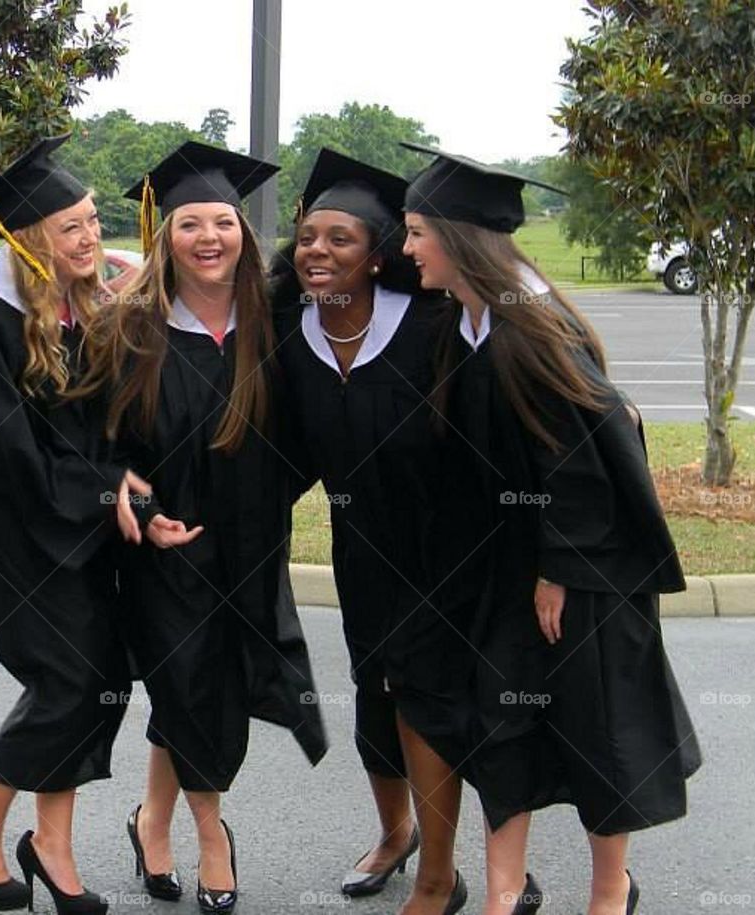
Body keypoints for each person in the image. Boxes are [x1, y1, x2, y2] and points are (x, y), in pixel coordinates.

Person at [402, 143, 702, 915]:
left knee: (598, 730)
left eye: (415, 233)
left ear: (461, 238)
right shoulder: (466, 322)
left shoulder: (529, 329)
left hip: (580, 573)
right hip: (502, 567)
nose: (405, 250)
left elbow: (588, 444)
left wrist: (559, 564)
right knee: (501, 724)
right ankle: (503, 891)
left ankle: (611, 891)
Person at [79, 141, 327, 914]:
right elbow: (97, 449)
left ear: (245, 236)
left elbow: (311, 426)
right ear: (166, 236)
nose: (210, 236)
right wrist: (143, 516)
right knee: (194, 685)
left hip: (252, 545)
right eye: (191, 223)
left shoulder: (274, 318)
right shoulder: (130, 329)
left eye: (225, 221)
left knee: (206, 685)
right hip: (167, 552)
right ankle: (212, 837)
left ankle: (150, 820)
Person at [0, 135, 151, 915]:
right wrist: (108, 490)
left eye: (93, 219)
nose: (92, 237)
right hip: (17, 539)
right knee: (66, 681)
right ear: (33, 241)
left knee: (100, 680)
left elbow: (109, 429)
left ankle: (52, 844)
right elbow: (12, 467)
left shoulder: (83, 310)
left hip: (82, 532)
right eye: (71, 228)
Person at [270, 148, 471, 915]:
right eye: (309, 237)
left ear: (378, 255)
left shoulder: (432, 325)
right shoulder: (295, 336)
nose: (317, 251)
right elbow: (283, 450)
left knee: (425, 702)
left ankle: (439, 878)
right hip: (363, 548)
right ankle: (396, 833)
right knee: (372, 696)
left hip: (445, 547)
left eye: (340, 239)